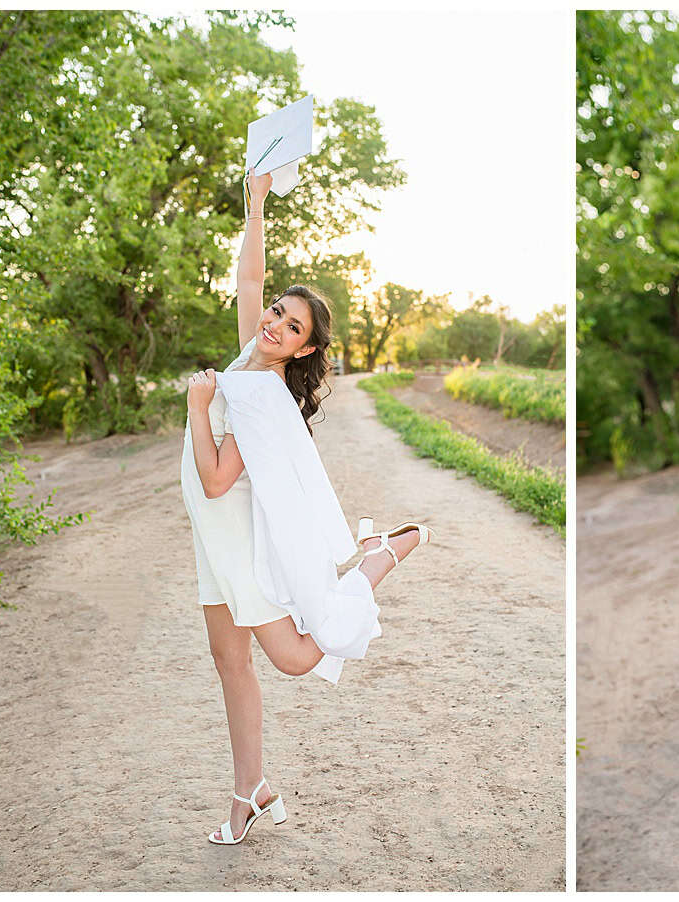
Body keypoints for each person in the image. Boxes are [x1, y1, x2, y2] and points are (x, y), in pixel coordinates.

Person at [185, 168, 433, 845]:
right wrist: (256, 206)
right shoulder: (248, 361)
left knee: (294, 658)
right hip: (212, 542)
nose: (273, 323)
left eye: (291, 326)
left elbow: (215, 481)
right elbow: (248, 283)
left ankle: (377, 559)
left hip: (233, 538)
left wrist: (198, 405)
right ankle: (251, 791)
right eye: (275, 314)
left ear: (305, 347)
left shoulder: (258, 394)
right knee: (229, 663)